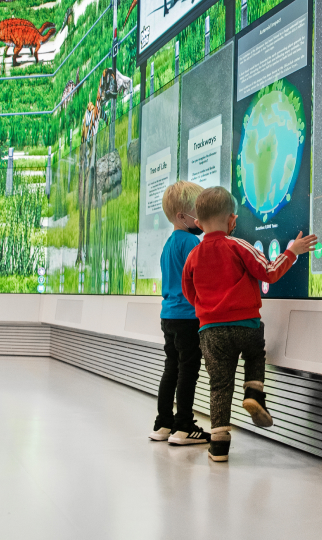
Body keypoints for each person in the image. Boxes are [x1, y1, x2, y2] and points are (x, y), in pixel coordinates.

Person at [182, 186, 317, 462]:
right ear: (233, 220)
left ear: (198, 223)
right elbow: (268, 273)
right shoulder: (238, 245)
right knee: (255, 351)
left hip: (210, 332)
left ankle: (219, 447)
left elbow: (188, 290)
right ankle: (254, 391)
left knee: (220, 386)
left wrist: (206, 310)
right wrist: (292, 251)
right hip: (246, 325)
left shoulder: (193, 256)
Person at [149, 181, 210, 446]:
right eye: (196, 213)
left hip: (169, 316)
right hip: (188, 317)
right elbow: (202, 278)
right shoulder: (192, 243)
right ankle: (184, 425)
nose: (200, 218)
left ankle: (163, 423)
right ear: (181, 217)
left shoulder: (168, 246)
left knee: (171, 368)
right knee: (189, 370)